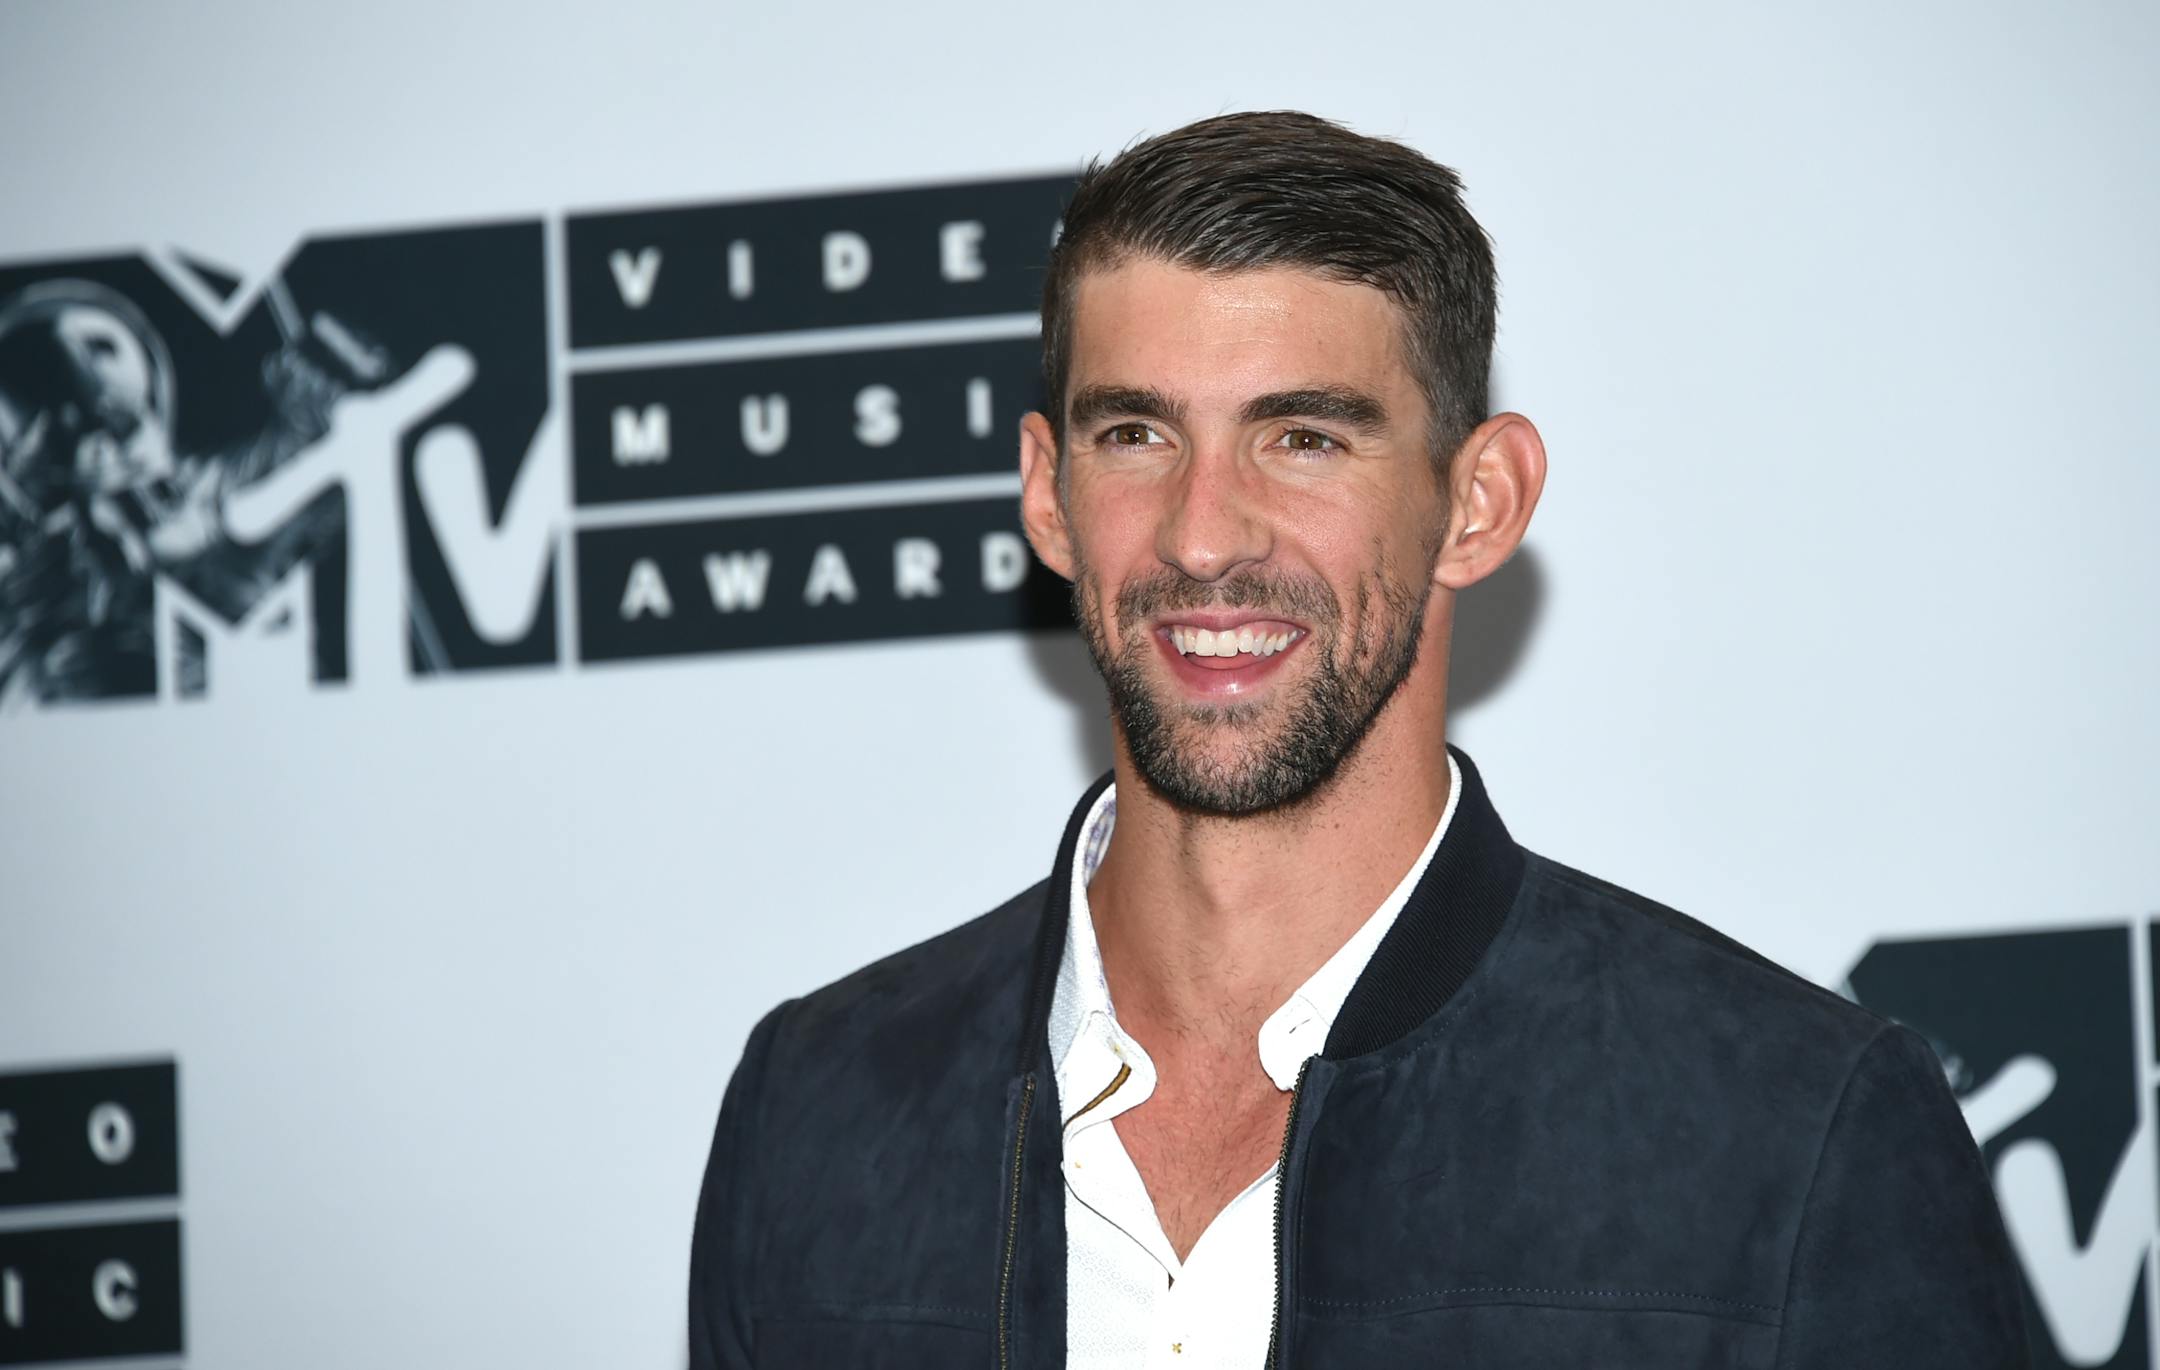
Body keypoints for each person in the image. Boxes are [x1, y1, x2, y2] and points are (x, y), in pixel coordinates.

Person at [688, 111, 2028, 1369]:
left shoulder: (1794, 1131)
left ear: (1479, 502)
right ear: (1049, 494)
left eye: (1304, 437)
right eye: (1138, 432)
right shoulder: (818, 1112)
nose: (1204, 533)